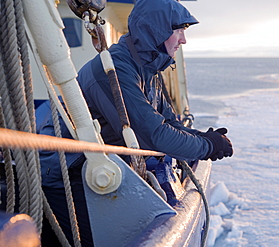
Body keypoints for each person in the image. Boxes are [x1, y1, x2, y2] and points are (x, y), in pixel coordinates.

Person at [37, 0, 233, 246]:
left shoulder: (147, 68)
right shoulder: (116, 69)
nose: (183, 40)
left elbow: (170, 122)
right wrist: (207, 148)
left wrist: (204, 138)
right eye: (179, 30)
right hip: (67, 174)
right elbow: (153, 136)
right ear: (157, 30)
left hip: (97, 169)